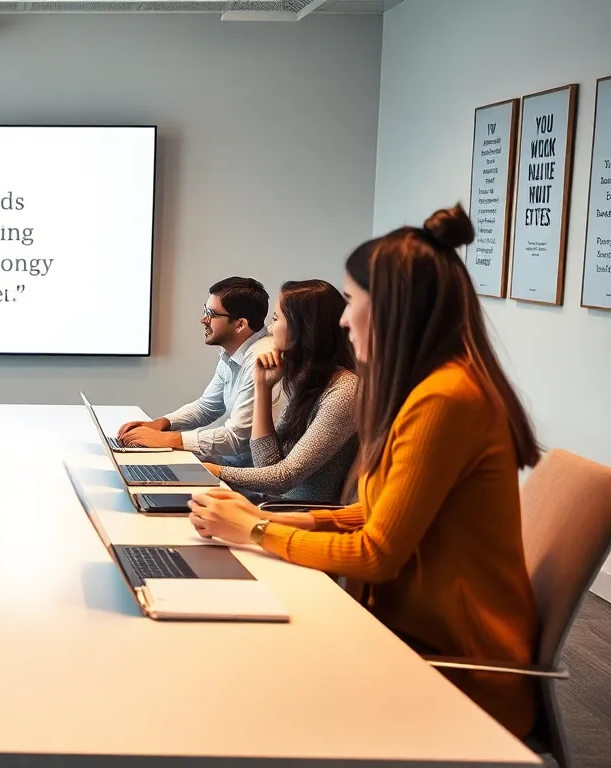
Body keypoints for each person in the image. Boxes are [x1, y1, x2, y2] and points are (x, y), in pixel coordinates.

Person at [187, 205, 540, 737]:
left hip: (451, 671)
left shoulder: (446, 400)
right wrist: (263, 521)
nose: (344, 319)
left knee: (234, 699)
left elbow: (375, 554)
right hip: (405, 636)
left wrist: (257, 530)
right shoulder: (429, 390)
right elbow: (370, 515)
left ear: (395, 309)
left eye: (353, 302)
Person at [204, 280, 358, 503]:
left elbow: (283, 478)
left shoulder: (344, 391)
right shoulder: (308, 381)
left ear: (302, 328)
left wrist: (214, 471)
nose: (269, 328)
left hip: (303, 517)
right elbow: (266, 464)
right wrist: (263, 388)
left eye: (276, 319)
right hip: (278, 507)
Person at [117, 277, 276, 466]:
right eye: (205, 310)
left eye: (211, 314)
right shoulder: (233, 354)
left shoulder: (262, 359)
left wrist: (168, 440)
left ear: (240, 324)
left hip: (248, 482)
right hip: (228, 466)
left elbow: (236, 439)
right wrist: (160, 424)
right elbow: (206, 408)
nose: (203, 320)